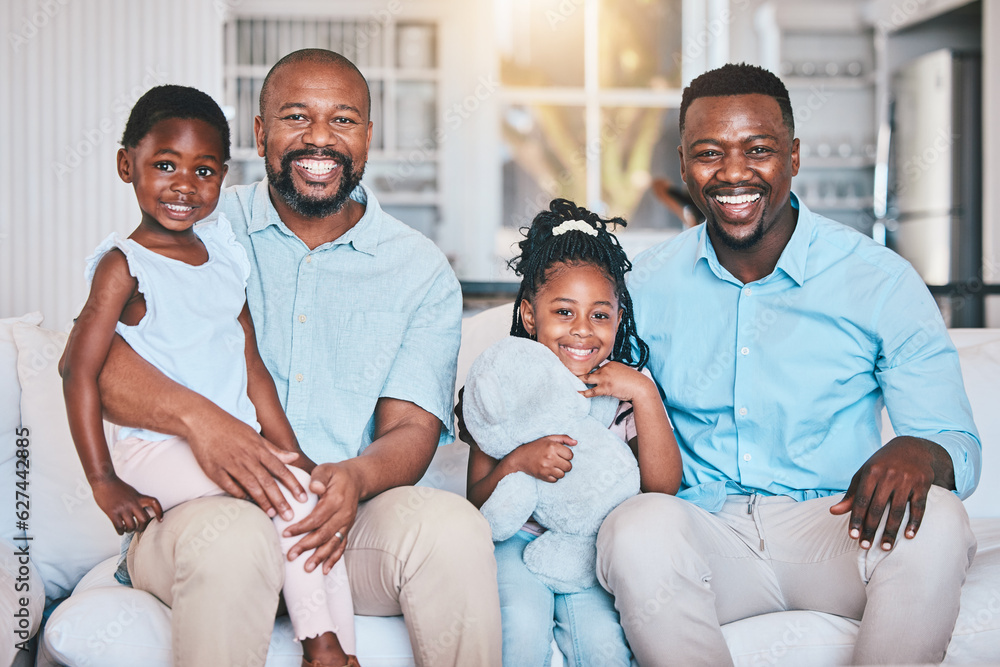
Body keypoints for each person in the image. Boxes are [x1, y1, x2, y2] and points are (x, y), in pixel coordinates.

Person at [67, 50, 501, 666]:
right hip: (197, 517)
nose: (320, 138)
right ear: (260, 131)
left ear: (369, 137)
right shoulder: (205, 222)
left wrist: (353, 479)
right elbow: (98, 364)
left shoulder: (419, 269)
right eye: (297, 116)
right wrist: (205, 425)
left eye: (343, 120)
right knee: (237, 536)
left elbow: (412, 429)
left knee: (453, 530)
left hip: (336, 525)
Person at [596, 62, 981, 666]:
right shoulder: (642, 286)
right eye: (708, 153)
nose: (733, 173)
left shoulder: (877, 280)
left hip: (837, 526)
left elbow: (957, 444)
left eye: (758, 150)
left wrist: (921, 452)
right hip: (706, 533)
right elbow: (590, 407)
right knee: (636, 526)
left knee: (940, 520)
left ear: (794, 157)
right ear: (683, 163)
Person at [61, 85, 358, 667]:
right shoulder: (125, 266)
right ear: (127, 165)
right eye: (165, 165)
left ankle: (336, 650)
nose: (183, 185)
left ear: (223, 176)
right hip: (154, 452)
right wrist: (103, 480)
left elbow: (251, 366)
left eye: (203, 171)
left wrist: (290, 452)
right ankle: (320, 646)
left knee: (309, 503)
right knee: (287, 501)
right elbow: (78, 369)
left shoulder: (223, 254)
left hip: (235, 446)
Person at [466, 199, 682, 666]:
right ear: (529, 315)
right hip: (516, 543)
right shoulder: (505, 385)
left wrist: (645, 394)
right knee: (519, 628)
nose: (582, 331)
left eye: (600, 315)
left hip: (591, 547)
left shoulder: (625, 392)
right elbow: (476, 500)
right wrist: (518, 460)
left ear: (618, 318)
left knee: (605, 645)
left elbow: (662, 488)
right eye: (564, 312)